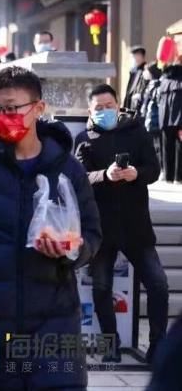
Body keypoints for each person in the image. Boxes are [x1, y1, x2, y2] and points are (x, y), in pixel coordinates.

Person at [0, 66, 102, 390]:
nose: (1, 116)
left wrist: (72, 250)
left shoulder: (68, 170)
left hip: (53, 322)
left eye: (11, 108)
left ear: (38, 108)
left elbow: (93, 233)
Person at [74, 84, 167, 362]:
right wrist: (106, 175)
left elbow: (154, 169)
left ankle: (157, 346)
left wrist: (135, 173)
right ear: (89, 111)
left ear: (119, 105)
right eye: (98, 108)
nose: (104, 111)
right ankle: (110, 346)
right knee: (101, 287)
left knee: (158, 284)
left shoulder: (137, 131)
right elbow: (80, 178)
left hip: (136, 226)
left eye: (109, 106)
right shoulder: (84, 138)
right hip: (101, 229)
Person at [158, 48, 182, 183]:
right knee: (179, 147)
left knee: (167, 147)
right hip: (179, 118)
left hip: (165, 118)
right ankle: (178, 177)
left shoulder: (164, 80)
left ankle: (168, 176)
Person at [123, 46, 149, 113]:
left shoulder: (146, 71)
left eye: (134, 56)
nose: (132, 59)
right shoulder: (133, 71)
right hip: (130, 105)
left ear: (140, 56)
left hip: (138, 106)